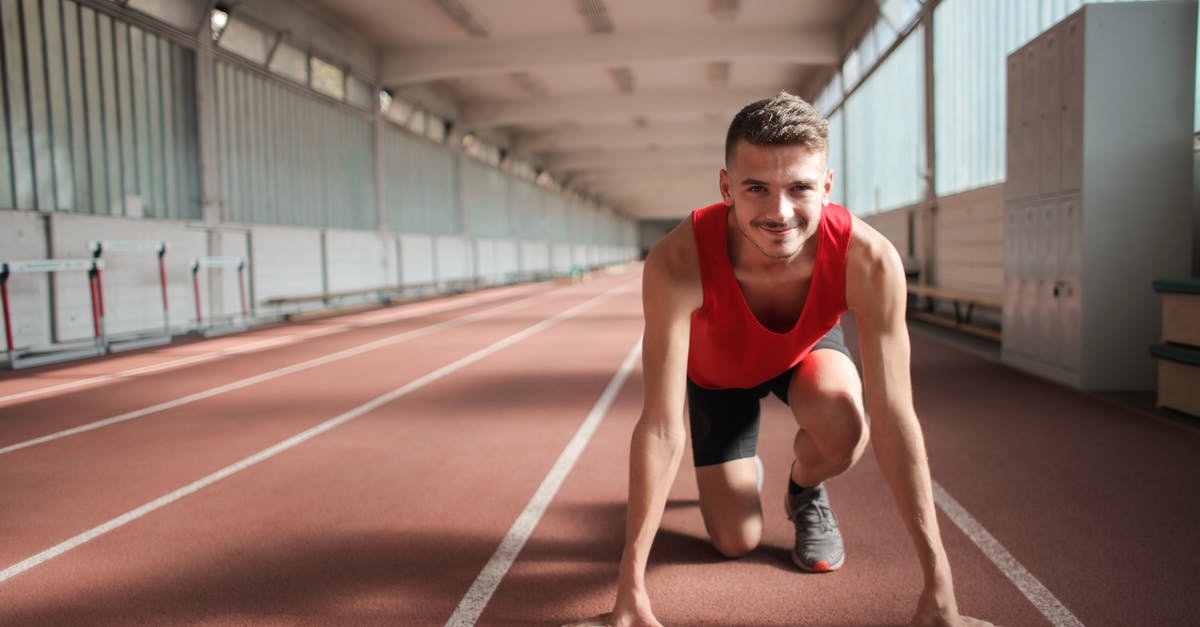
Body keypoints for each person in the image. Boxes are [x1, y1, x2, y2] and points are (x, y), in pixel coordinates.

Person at [570, 92, 992, 627]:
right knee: (734, 540)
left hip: (803, 353)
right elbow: (658, 425)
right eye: (756, 189)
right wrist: (628, 593)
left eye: (799, 188)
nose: (779, 212)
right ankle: (738, 474)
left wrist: (939, 587)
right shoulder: (678, 262)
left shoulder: (870, 261)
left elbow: (895, 416)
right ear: (726, 187)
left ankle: (803, 487)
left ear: (828, 187)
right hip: (719, 379)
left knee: (848, 425)